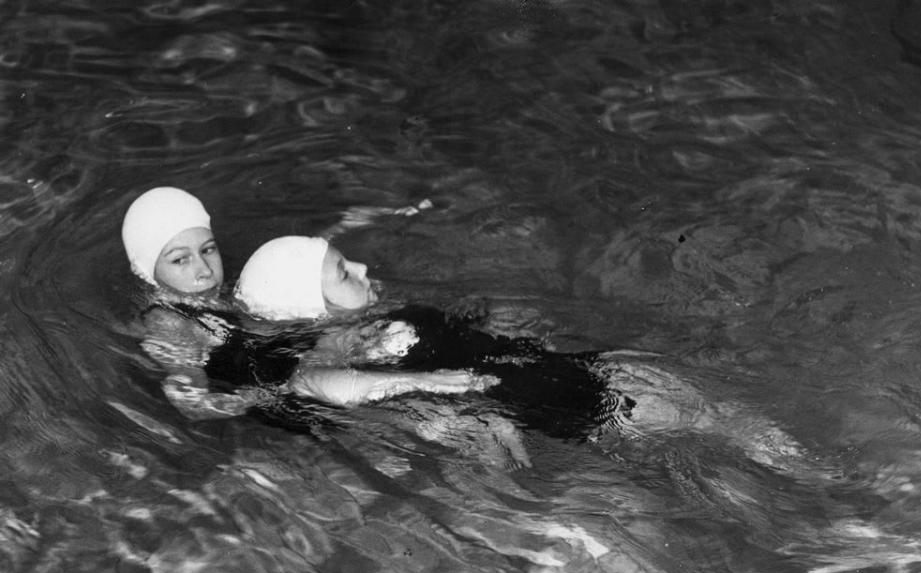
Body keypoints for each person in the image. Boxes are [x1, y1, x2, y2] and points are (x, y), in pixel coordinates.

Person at [234, 235, 810, 471]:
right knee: (706, 418)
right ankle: (839, 495)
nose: (360, 267)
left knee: (701, 435)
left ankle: (829, 498)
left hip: (547, 379)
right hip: (551, 393)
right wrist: (425, 386)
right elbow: (311, 385)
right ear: (311, 304)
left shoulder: (368, 325)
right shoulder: (339, 343)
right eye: (341, 271)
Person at [122, 187, 488, 421]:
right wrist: (254, 398)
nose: (203, 271)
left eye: (208, 250)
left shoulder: (221, 291)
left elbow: (312, 256)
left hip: (297, 359)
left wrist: (385, 217)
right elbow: (190, 401)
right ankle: (427, 382)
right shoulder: (164, 320)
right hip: (285, 391)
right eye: (179, 260)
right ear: (145, 267)